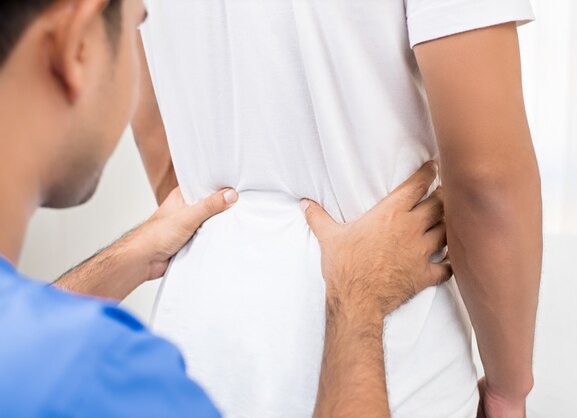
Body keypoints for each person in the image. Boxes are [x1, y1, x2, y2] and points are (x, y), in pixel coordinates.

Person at [0, 0, 451, 417]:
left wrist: (130, 255)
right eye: (139, 23)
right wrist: (358, 301)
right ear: (74, 45)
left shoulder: (42, 358)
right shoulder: (113, 381)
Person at [135, 0, 543, 417]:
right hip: (390, 364)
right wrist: (507, 389)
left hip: (195, 348)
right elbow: (486, 177)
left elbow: (145, 117)